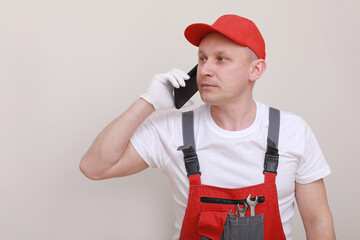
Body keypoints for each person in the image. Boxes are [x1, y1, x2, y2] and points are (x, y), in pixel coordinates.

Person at [80, 14, 335, 240]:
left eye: (221, 59)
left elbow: (317, 222)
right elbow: (94, 167)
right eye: (202, 59)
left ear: (255, 70)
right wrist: (147, 102)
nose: (205, 70)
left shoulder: (293, 131)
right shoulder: (172, 130)